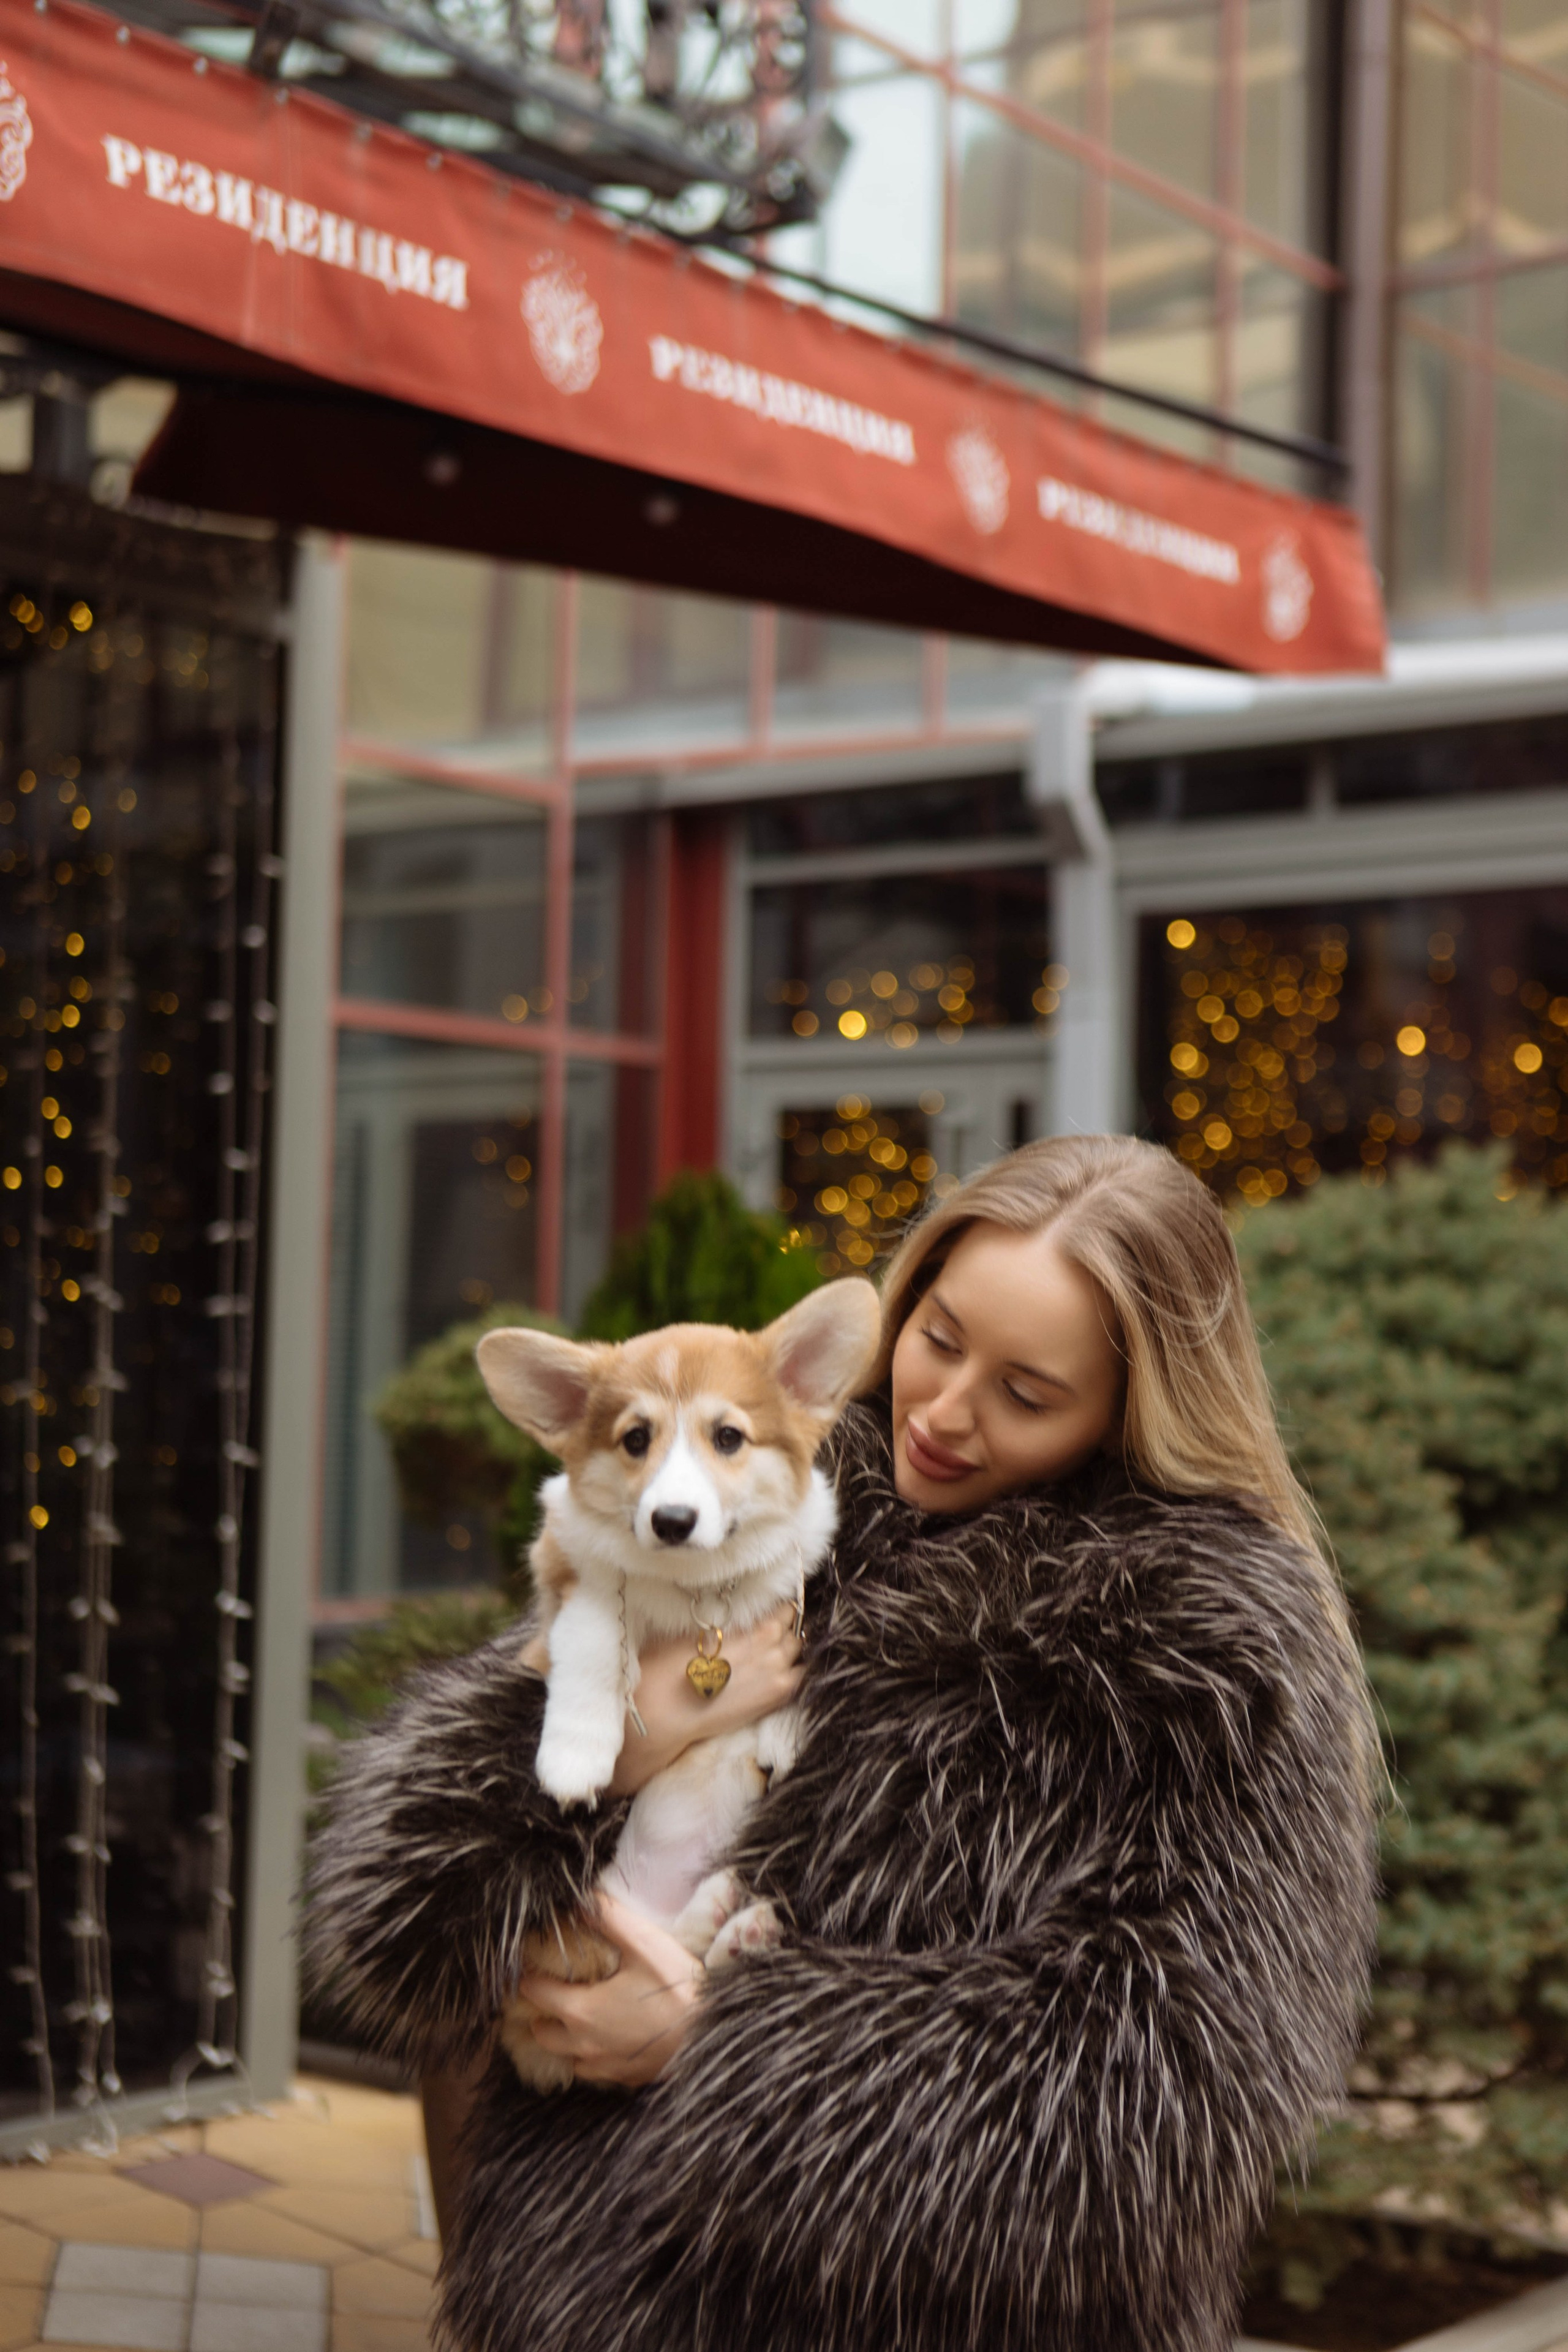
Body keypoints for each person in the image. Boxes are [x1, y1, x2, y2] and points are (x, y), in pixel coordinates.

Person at [307, 1134, 1379, 2352]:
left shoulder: (1200, 1642)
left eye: (1026, 1395)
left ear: (1127, 1408)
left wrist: (710, 2043)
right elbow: (401, 1913)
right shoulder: (763, 1492)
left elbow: (1178, 2078)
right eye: (936, 1336)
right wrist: (630, 1739)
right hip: (578, 2302)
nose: (943, 1411)